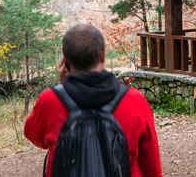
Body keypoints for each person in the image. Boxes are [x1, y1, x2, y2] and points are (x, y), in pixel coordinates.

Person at [24, 24, 162, 177]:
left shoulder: (49, 101)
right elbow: (152, 167)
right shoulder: (135, 101)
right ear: (103, 55)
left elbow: (35, 137)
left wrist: (63, 89)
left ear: (65, 59)